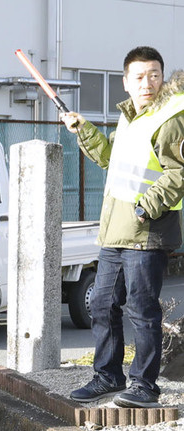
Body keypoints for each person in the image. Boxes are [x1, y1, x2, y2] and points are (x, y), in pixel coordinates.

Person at [62, 46, 184, 408]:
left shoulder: (171, 117)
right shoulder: (131, 118)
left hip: (147, 231)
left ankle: (144, 386)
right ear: (126, 82)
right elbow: (109, 158)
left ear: (162, 77)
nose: (148, 82)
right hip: (116, 230)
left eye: (154, 75)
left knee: (141, 309)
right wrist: (83, 130)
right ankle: (108, 376)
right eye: (140, 76)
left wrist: (147, 208)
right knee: (101, 304)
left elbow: (179, 173)